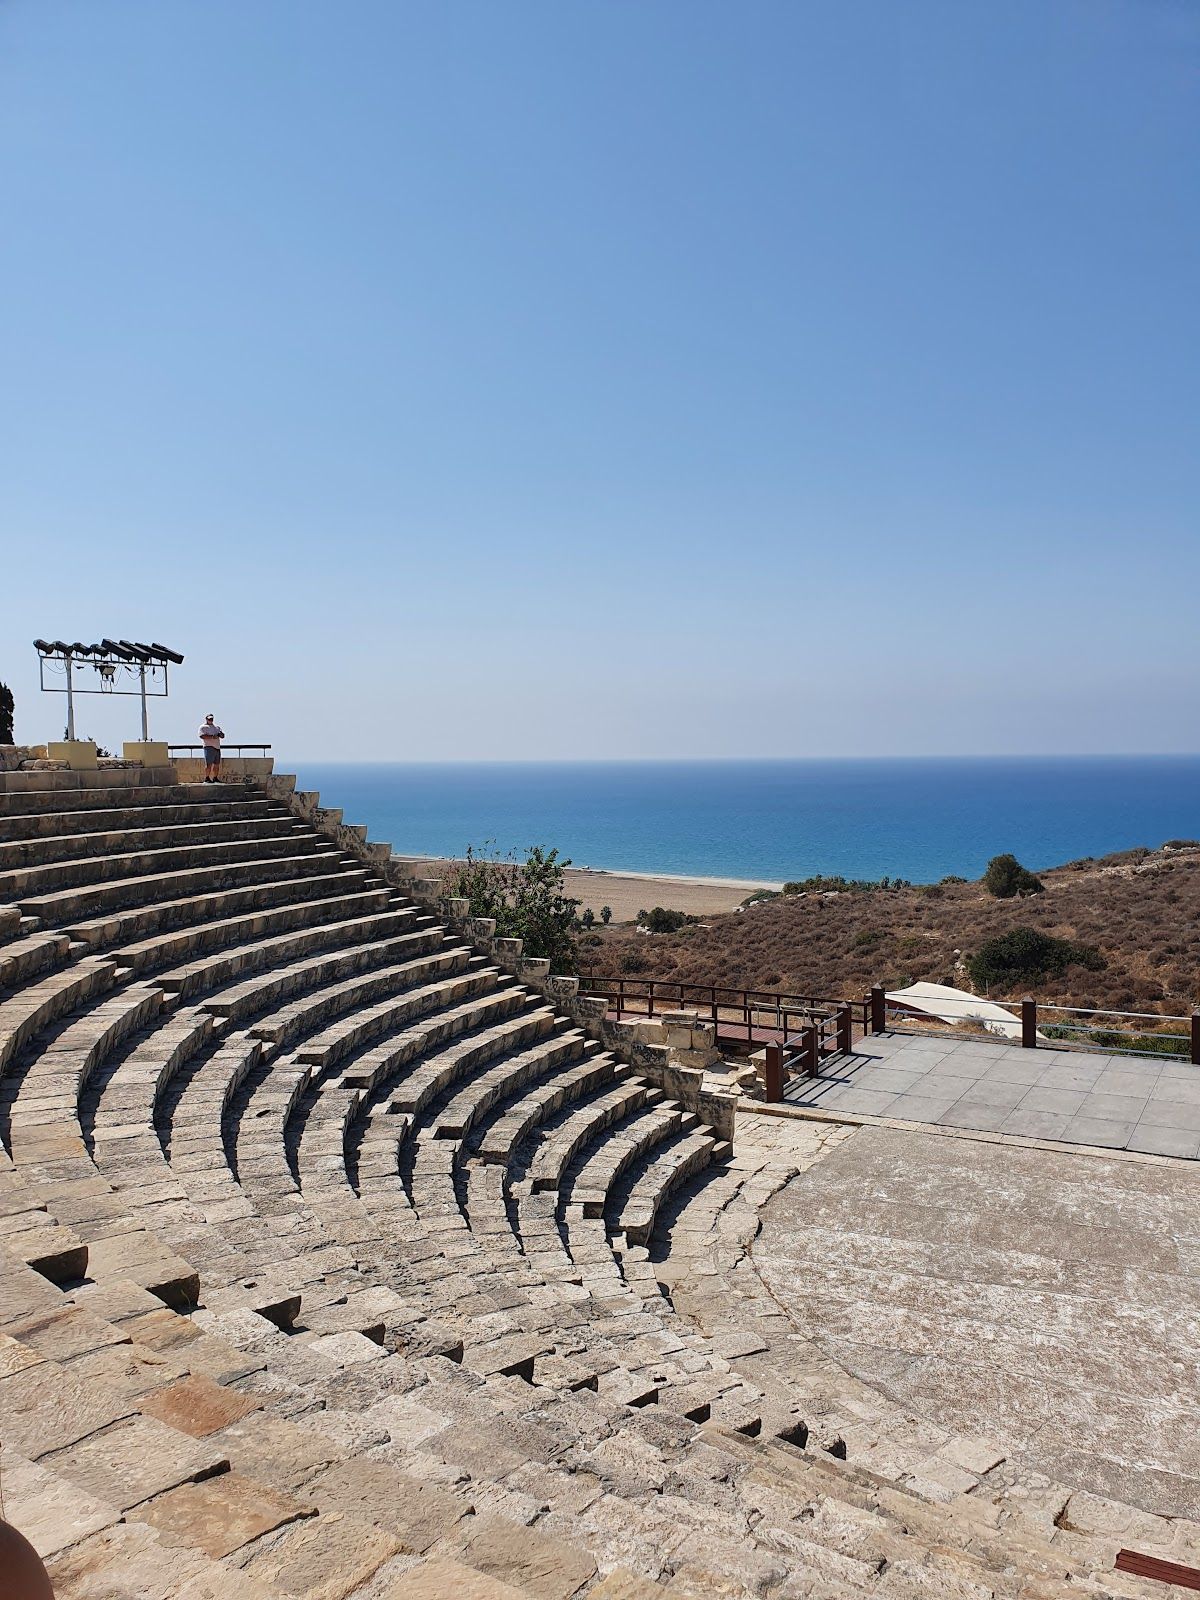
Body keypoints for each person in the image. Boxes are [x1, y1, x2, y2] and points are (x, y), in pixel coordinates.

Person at [199, 713, 225, 782]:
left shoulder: (217, 727)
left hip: (217, 747)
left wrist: (221, 735)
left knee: (216, 764)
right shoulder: (203, 727)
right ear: (206, 719)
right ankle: (207, 778)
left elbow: (222, 735)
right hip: (208, 747)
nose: (211, 720)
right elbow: (202, 736)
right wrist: (212, 737)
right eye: (209, 719)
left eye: (212, 719)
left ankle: (215, 777)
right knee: (209, 764)